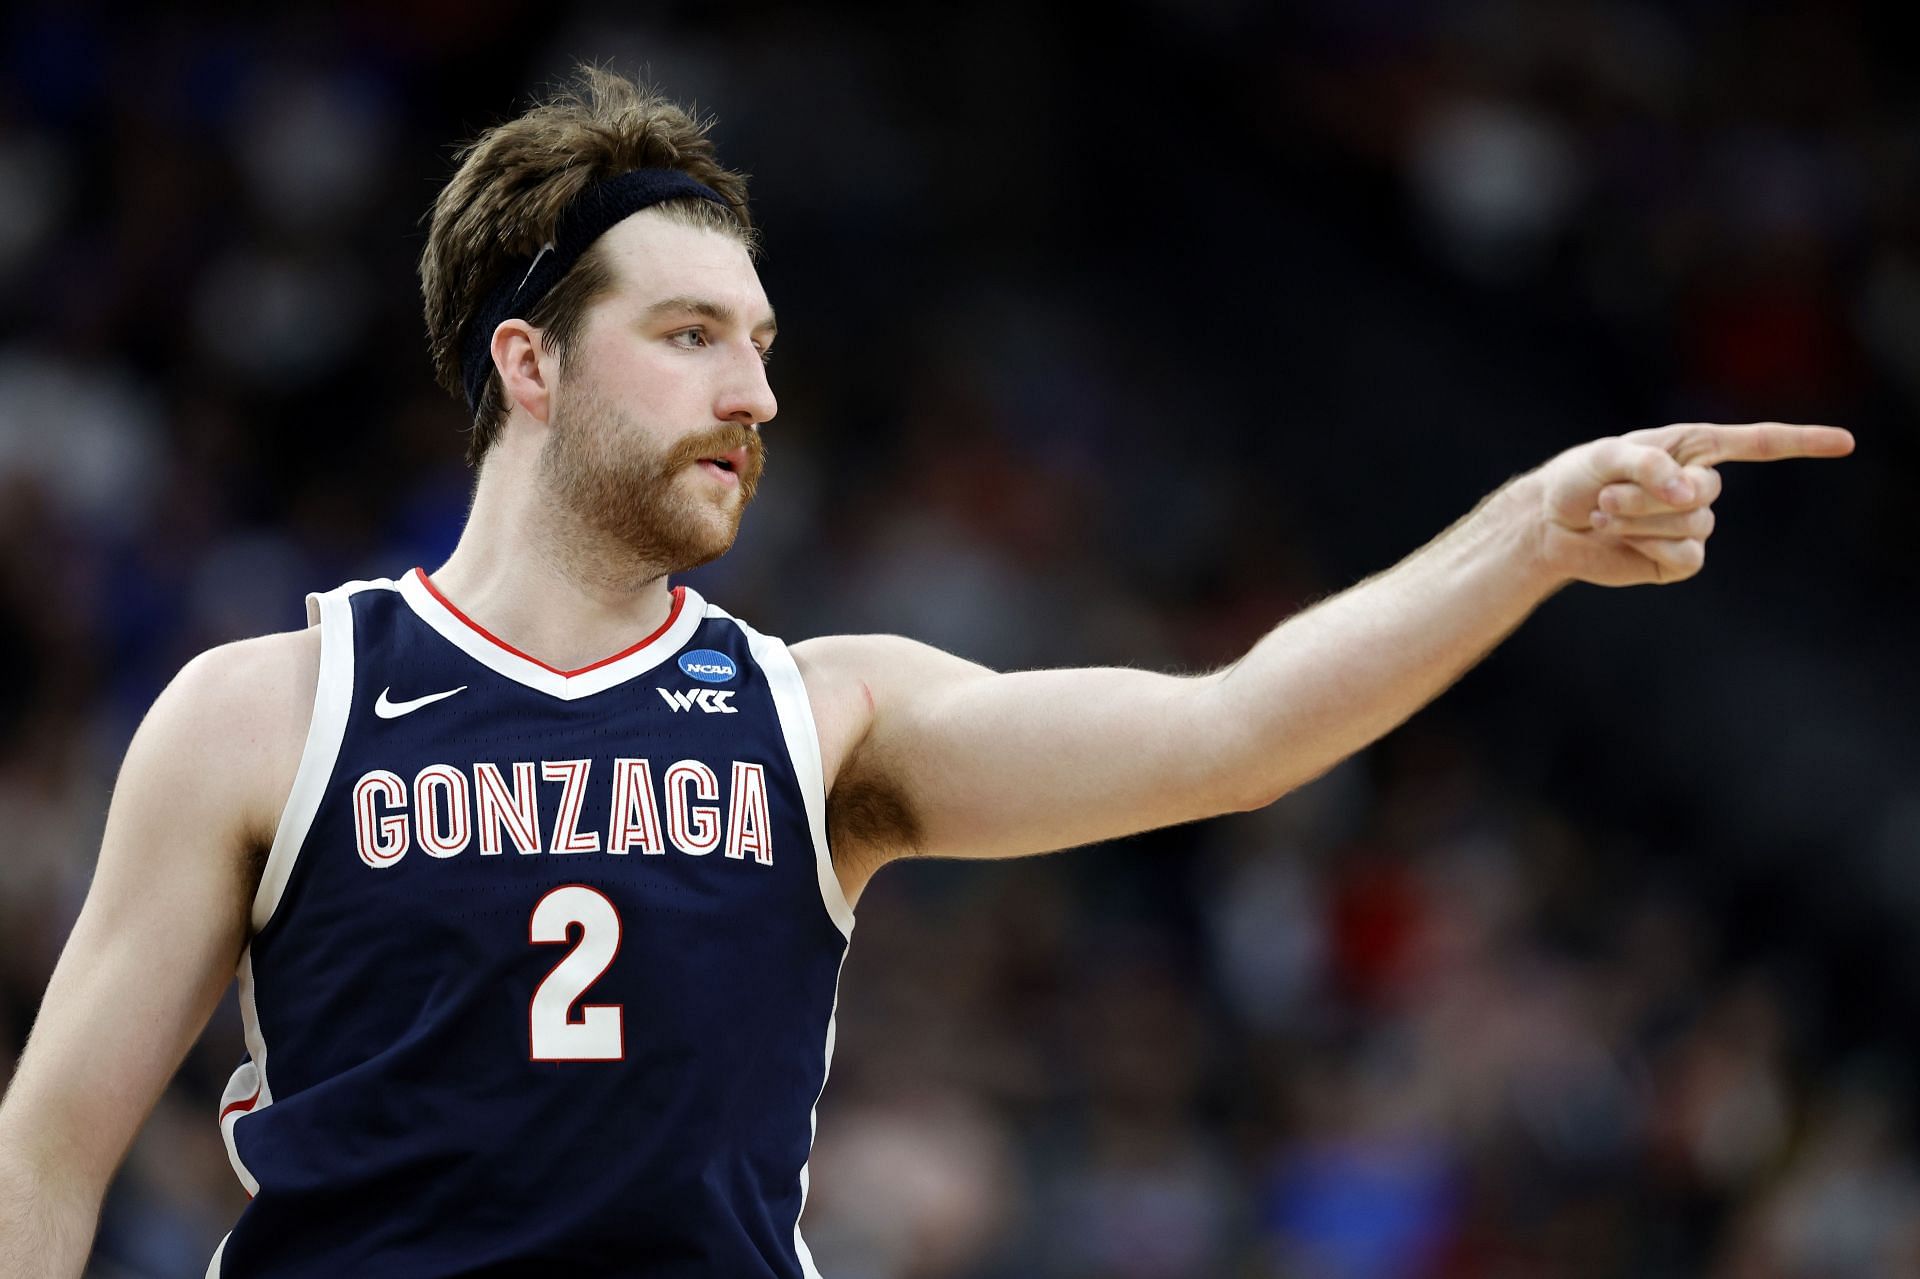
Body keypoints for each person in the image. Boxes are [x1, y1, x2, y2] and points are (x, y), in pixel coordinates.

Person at [0, 65, 1854, 1279]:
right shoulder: (271, 708)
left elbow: (1236, 729)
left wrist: (1526, 529)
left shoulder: (826, 715)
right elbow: (46, 1148)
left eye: (767, 341)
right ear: (532, 364)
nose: (758, 393)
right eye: (692, 334)